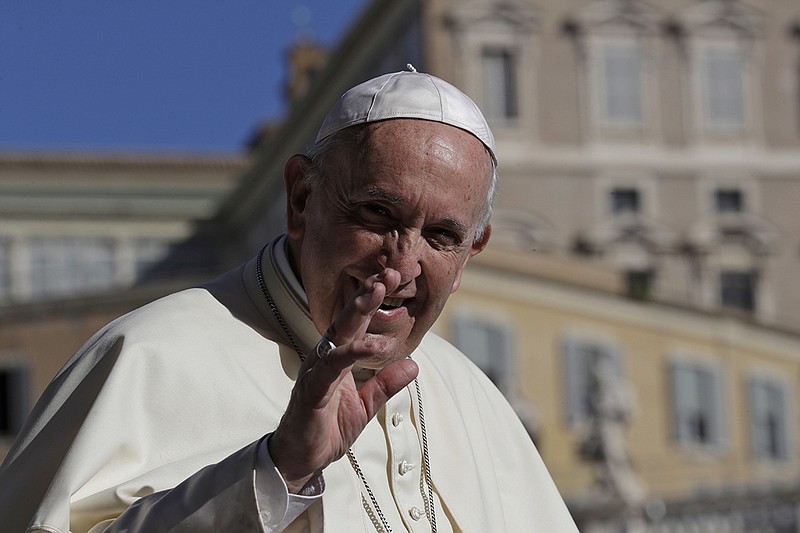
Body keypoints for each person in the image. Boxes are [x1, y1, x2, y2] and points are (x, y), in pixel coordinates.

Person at [0, 66, 579, 532]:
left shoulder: (476, 399)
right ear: (302, 199)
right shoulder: (145, 355)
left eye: (441, 237)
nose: (401, 267)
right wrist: (275, 473)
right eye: (378, 214)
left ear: (469, 256)